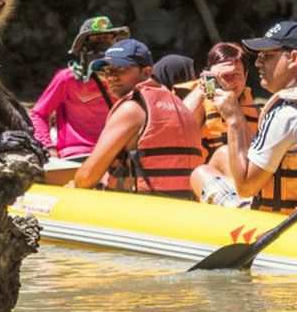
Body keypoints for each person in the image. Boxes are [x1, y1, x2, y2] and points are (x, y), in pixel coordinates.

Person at [190, 21, 297, 221]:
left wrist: (234, 118)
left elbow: (246, 187)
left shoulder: (287, 113)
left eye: (267, 56)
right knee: (222, 154)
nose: (257, 63)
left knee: (200, 173)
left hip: (289, 223)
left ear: (293, 58)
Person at [73, 39, 203, 199]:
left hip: (140, 209)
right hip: (183, 205)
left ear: (147, 72)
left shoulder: (131, 109)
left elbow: (85, 179)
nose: (111, 78)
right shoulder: (180, 106)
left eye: (120, 70)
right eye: (107, 71)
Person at [30, 16, 129, 158]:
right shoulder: (68, 79)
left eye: (108, 40)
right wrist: (48, 148)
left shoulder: (125, 77)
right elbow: (38, 114)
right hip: (77, 154)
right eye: (95, 41)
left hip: (116, 154)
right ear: (83, 49)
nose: (103, 47)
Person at [183, 42, 259, 163]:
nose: (229, 82)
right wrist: (202, 89)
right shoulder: (200, 104)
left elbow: (257, 155)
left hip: (241, 175)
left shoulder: (257, 111)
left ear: (246, 75)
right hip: (206, 176)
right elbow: (177, 126)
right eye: (223, 76)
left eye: (236, 75)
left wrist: (235, 114)